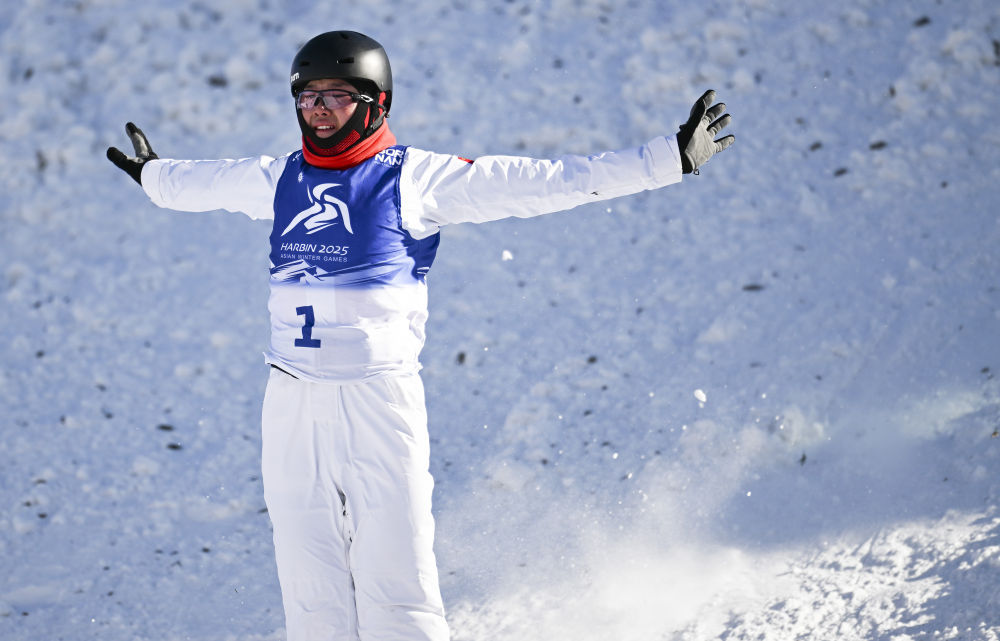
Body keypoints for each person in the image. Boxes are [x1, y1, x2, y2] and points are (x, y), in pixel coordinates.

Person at [107, 30, 733, 641]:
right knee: (308, 579)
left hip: (377, 401)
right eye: (308, 96)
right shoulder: (281, 178)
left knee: (396, 577)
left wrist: (665, 160)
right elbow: (205, 183)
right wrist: (155, 177)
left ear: (375, 103)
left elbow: (546, 180)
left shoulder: (415, 178)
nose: (319, 110)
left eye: (336, 96)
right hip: (291, 399)